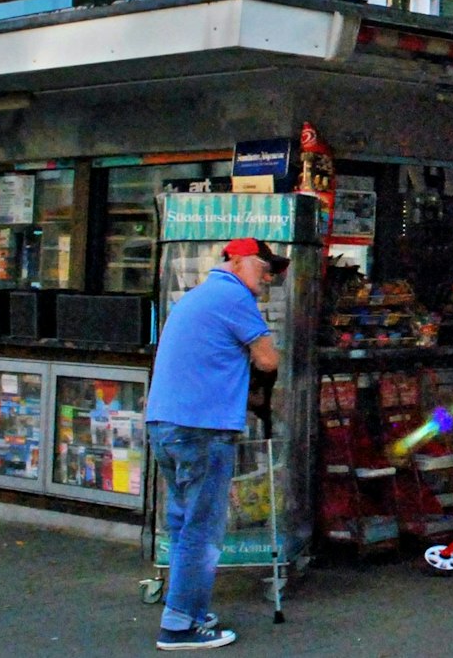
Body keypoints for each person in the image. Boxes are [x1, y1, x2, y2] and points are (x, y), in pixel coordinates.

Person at [145, 238, 284, 651]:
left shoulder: (198, 296)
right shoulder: (233, 295)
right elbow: (268, 359)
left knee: (183, 522)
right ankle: (178, 626)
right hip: (201, 427)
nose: (268, 277)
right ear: (237, 261)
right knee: (202, 529)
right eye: (263, 267)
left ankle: (187, 607)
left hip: (166, 422)